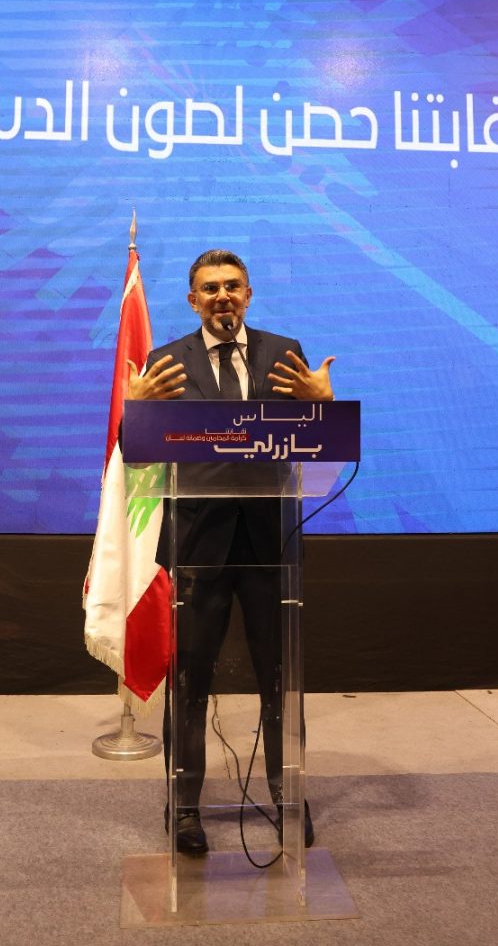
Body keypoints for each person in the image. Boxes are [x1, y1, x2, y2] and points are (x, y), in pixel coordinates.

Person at [127, 249, 335, 853]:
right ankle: (185, 806)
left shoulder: (285, 353)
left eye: (233, 286)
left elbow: (319, 444)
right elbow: (135, 454)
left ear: (249, 294)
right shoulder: (167, 361)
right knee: (190, 681)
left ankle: (287, 795)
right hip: (198, 546)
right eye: (210, 288)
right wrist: (137, 413)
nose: (223, 295)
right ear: (193, 301)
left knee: (280, 678)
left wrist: (321, 406)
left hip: (271, 544)